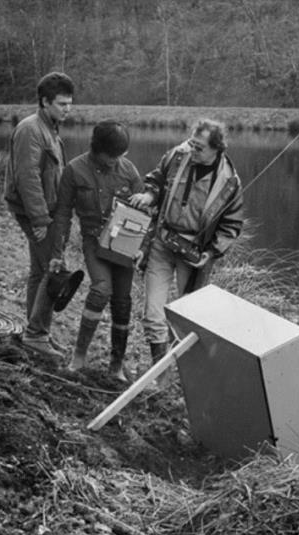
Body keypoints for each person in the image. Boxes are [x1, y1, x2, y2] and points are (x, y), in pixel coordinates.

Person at [129, 118, 243, 367]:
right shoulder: (176, 156)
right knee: (153, 314)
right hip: (161, 241)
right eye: (192, 143)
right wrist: (149, 195)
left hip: (193, 254)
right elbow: (156, 180)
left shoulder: (230, 182)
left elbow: (231, 225)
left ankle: (184, 372)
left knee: (187, 317)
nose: (192, 150)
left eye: (199, 147)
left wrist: (211, 252)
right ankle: (160, 376)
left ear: (217, 149)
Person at [59, 121, 144, 380]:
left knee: (122, 302)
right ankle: (79, 357)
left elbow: (144, 214)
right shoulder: (74, 170)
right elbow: (63, 213)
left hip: (124, 243)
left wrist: (143, 247)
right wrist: (57, 251)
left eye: (120, 155)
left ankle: (116, 366)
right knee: (100, 290)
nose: (115, 161)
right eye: (111, 156)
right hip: (94, 241)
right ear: (96, 149)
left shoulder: (129, 171)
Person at [3, 72, 74, 358]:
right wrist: (41, 220)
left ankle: (39, 331)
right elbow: (28, 177)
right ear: (44, 102)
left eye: (70, 103)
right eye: (61, 104)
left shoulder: (50, 127)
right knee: (53, 270)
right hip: (36, 212)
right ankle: (36, 336)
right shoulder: (31, 130)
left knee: (40, 271)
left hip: (47, 210)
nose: (67, 109)